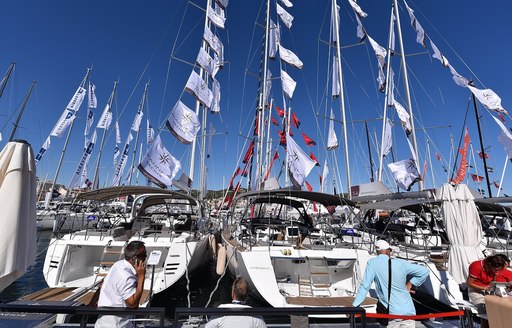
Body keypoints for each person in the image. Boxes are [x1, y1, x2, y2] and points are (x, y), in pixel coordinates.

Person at [352, 240, 429, 328]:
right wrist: (411, 283)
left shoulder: (373, 263)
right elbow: (424, 271)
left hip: (391, 313)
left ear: (377, 251)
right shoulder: (401, 263)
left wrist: (356, 305)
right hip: (408, 311)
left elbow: (365, 286)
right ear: (387, 250)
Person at [94, 241, 147, 328]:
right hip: (116, 324)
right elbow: (133, 304)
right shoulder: (125, 276)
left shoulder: (118, 265)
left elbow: (103, 284)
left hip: (105, 321)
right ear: (134, 259)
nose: (145, 258)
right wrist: (141, 276)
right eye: (144, 256)